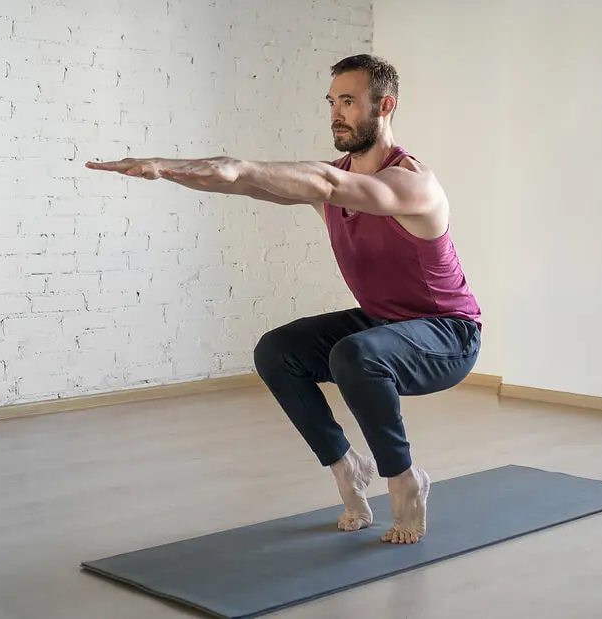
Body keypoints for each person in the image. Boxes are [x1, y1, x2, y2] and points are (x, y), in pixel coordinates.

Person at [86, 54, 482, 545]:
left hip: (449, 335)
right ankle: (345, 467)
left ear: (385, 106)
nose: (337, 112)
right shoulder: (331, 181)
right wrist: (166, 168)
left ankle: (404, 480)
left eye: (349, 101)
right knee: (277, 351)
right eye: (333, 101)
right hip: (384, 325)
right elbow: (246, 181)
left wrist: (239, 166)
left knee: (354, 353)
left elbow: (329, 183)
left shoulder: (411, 182)